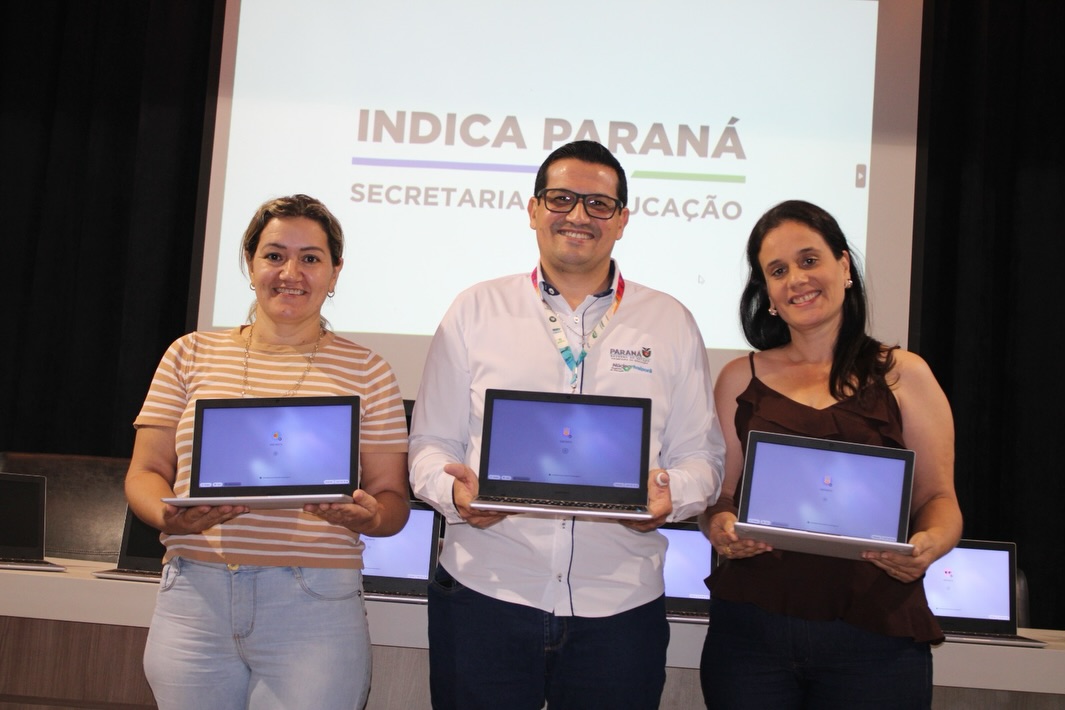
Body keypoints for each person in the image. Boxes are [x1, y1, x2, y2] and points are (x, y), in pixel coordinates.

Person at [408, 140, 725, 710]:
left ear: (622, 220)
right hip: (486, 594)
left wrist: (669, 496)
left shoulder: (670, 322)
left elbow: (702, 458)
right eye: (561, 199)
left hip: (620, 607)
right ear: (533, 210)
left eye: (599, 204)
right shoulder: (474, 311)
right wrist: (455, 494)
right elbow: (429, 444)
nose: (578, 215)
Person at [124, 194, 410, 710]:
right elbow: (145, 472)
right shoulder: (189, 353)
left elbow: (393, 501)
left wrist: (368, 516)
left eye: (310, 258)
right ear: (250, 263)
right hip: (194, 597)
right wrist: (169, 515)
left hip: (314, 605)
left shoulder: (368, 370)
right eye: (274, 255)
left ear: (335, 271)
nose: (290, 273)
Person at [699, 199, 963, 709]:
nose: (796, 279)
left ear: (844, 267)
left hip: (875, 635)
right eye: (778, 271)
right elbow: (721, 497)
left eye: (809, 260)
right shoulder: (738, 377)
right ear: (767, 294)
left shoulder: (905, 374)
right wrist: (721, 527)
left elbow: (938, 498)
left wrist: (929, 545)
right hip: (751, 636)